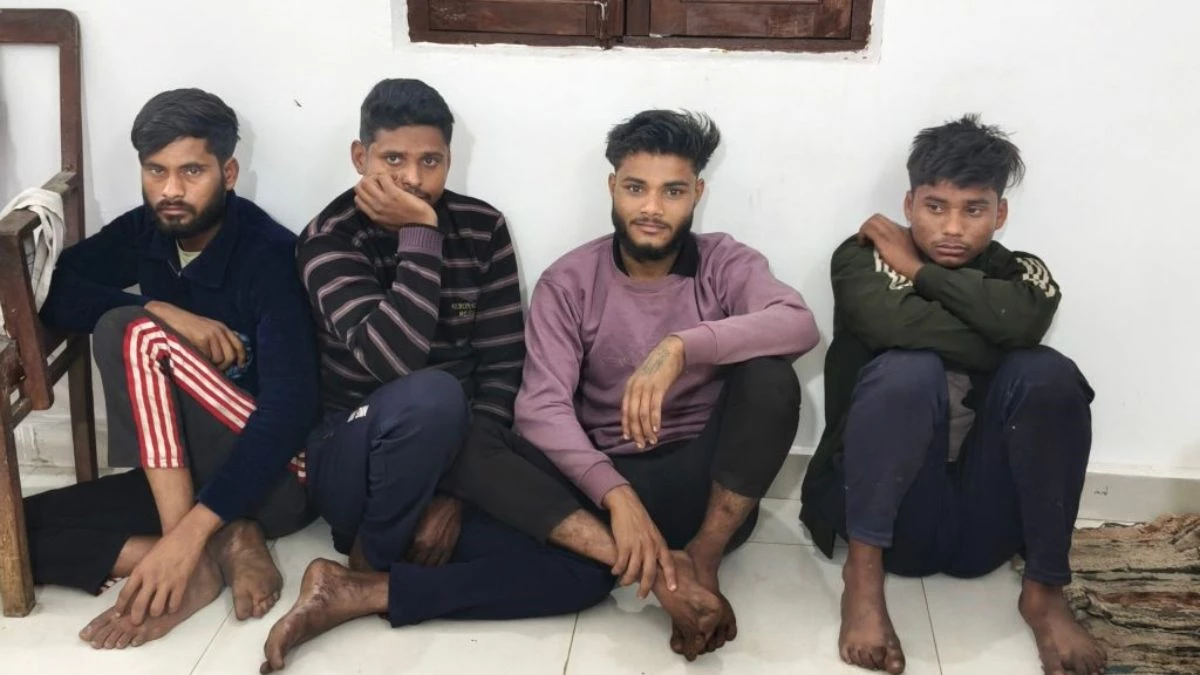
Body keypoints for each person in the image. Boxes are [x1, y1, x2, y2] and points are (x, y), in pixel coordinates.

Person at [261, 79, 615, 673]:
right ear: (360, 157)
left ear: (451, 158)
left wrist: (455, 493)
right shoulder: (328, 239)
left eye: (431, 161)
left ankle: (365, 589)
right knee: (432, 393)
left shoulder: (482, 227)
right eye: (393, 159)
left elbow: (503, 366)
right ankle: (374, 551)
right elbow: (390, 361)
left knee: (588, 569)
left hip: (460, 457)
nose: (413, 179)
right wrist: (421, 234)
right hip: (355, 457)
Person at [443, 109, 820, 661]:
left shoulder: (724, 261)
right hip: (603, 491)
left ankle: (703, 557)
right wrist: (616, 494)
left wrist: (681, 346)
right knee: (473, 438)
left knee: (771, 378)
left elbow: (799, 323)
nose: (651, 209)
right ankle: (662, 572)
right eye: (636, 188)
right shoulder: (569, 280)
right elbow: (542, 408)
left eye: (673, 191)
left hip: (704, 492)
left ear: (698, 193)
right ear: (612, 186)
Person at [799, 115, 1106, 675]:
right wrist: (1001, 335)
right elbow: (896, 326)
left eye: (974, 210)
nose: (953, 228)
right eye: (936, 207)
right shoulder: (864, 255)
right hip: (890, 518)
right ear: (909, 203)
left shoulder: (1021, 271)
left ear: (1000, 213)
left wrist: (918, 272)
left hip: (985, 518)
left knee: (1048, 375)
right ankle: (862, 583)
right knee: (907, 370)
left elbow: (1022, 322)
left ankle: (1044, 590)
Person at [24, 88, 319, 649]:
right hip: (177, 478)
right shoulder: (148, 230)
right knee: (10, 534)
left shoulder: (269, 254)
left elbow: (291, 411)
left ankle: (193, 551)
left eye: (192, 171)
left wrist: (188, 534)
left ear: (228, 172)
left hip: (275, 480)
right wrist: (159, 307)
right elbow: (52, 290)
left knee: (127, 330)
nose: (171, 190)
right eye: (155, 170)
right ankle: (211, 549)